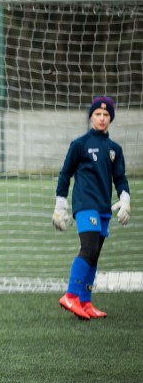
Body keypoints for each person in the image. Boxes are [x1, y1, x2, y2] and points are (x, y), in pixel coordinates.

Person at [53, 96, 131, 320]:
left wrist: (125, 199)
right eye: (98, 114)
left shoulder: (114, 149)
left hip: (103, 207)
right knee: (88, 249)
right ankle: (70, 295)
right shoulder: (80, 144)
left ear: (111, 119)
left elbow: (120, 178)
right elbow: (65, 174)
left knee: (95, 255)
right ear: (91, 116)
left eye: (106, 115)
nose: (102, 118)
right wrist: (61, 205)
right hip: (85, 204)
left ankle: (85, 303)